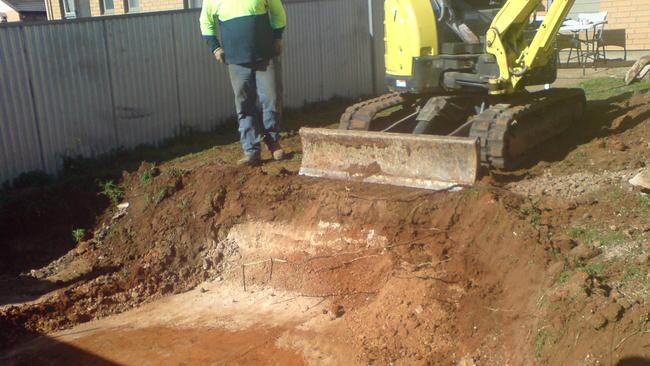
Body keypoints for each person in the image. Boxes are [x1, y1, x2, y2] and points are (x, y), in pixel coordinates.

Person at [200, 0, 287, 166]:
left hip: (265, 55)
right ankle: (251, 150)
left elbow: (278, 12)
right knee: (244, 105)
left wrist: (277, 37)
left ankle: (273, 141)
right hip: (236, 60)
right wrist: (215, 48)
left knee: (272, 99)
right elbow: (205, 22)